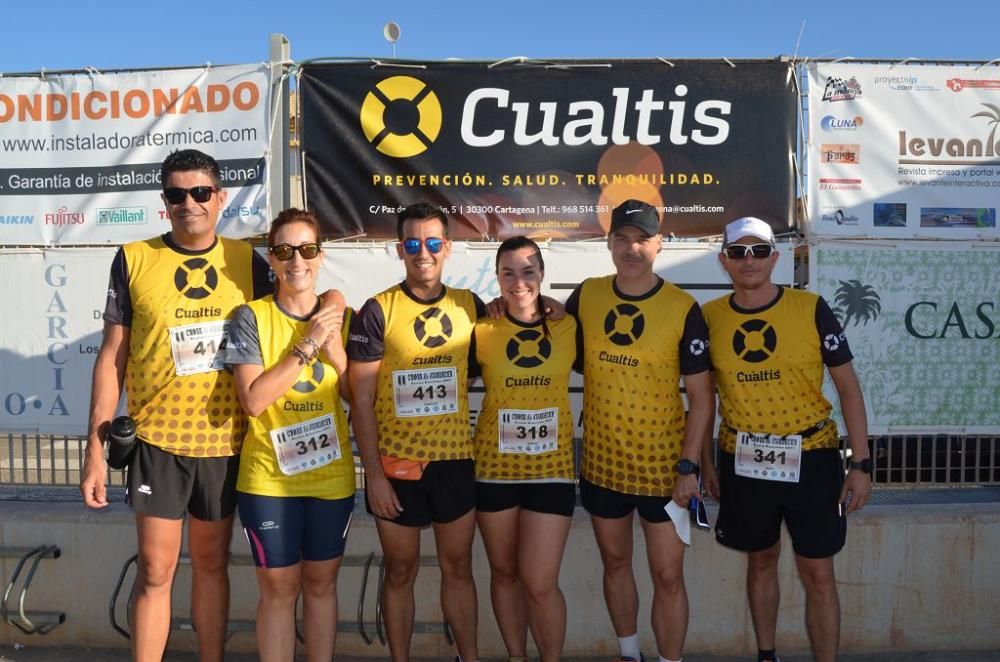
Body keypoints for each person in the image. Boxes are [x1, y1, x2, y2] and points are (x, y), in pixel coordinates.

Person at [79, 149, 271, 662]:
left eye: (200, 192)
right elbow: (112, 358)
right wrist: (94, 450)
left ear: (220, 198)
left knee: (211, 564)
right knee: (156, 569)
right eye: (177, 194)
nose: (189, 203)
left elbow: (295, 314)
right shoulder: (134, 257)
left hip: (224, 441)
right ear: (164, 202)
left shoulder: (249, 262)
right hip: (157, 441)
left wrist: (336, 303)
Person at [699, 216, 872, 662]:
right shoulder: (708, 317)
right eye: (738, 252)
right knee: (760, 561)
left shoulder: (810, 308)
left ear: (776, 257)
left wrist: (860, 465)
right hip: (743, 458)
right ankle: (766, 655)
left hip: (812, 458)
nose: (748, 260)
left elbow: (849, 389)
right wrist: (705, 462)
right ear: (724, 261)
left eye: (759, 251)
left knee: (817, 572)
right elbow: (702, 399)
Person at [564, 199, 714, 662]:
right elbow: (546, 336)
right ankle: (630, 653)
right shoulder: (586, 295)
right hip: (603, 465)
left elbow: (703, 398)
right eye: (623, 238)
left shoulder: (683, 307)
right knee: (614, 563)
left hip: (665, 470)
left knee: (668, 576)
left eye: (642, 239)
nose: (632, 249)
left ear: (659, 244)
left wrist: (689, 467)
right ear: (609, 243)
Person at [348, 203, 485, 662]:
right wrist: (375, 476)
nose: (422, 253)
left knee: (459, 568)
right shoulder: (376, 310)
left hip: (453, 463)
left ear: (447, 247)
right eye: (411, 244)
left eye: (431, 243)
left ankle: (468, 656)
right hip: (396, 465)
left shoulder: (471, 305)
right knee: (400, 571)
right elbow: (360, 402)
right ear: (398, 250)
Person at [224, 208, 355, 662]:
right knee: (279, 589)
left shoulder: (342, 316)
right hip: (268, 480)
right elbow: (254, 400)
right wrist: (308, 344)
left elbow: (362, 398)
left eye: (306, 249)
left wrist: (337, 353)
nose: (296, 260)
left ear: (320, 257)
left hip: (329, 478)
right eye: (284, 251)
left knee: (320, 585)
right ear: (271, 260)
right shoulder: (249, 317)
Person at [470, 236, 576, 662]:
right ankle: (516, 656)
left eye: (528, 272)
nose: (518, 282)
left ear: (543, 276)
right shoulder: (481, 328)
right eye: (508, 273)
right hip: (494, 470)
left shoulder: (570, 324)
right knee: (505, 573)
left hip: (551, 471)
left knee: (540, 581)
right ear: (496, 278)